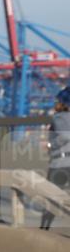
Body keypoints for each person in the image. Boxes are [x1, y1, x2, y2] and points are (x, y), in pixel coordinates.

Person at [41, 87, 70, 231]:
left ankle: (43, 230)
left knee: (50, 198)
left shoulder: (59, 117)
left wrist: (50, 144)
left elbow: (65, 136)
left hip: (61, 163)